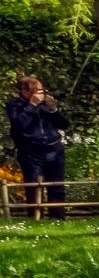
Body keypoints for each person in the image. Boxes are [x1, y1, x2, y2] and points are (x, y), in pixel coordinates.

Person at [6, 76, 68, 219]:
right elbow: (19, 125)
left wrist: (53, 109)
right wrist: (32, 106)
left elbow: (64, 124)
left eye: (42, 91)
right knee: (33, 186)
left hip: (54, 149)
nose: (41, 94)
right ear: (25, 92)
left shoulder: (45, 104)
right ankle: (35, 218)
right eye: (36, 91)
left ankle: (57, 218)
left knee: (57, 185)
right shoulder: (14, 106)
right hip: (31, 151)